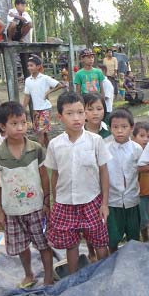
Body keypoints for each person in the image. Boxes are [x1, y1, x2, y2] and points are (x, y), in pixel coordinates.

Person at [0, 101, 53, 287]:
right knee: (21, 247)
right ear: (2, 126)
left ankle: (48, 276)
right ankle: (29, 274)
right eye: (14, 124)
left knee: (44, 245)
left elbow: (44, 177)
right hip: (12, 212)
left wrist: (47, 201)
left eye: (23, 122)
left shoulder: (36, 149)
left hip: (36, 208)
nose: (20, 127)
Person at [44, 92, 112, 273]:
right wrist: (55, 201)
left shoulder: (95, 141)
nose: (76, 118)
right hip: (65, 203)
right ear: (60, 117)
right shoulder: (55, 145)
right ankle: (74, 277)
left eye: (80, 112)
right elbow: (55, 174)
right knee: (71, 244)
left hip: (92, 200)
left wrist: (104, 203)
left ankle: (103, 275)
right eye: (70, 113)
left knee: (99, 241)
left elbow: (104, 172)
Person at [106, 109, 143, 252]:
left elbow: (139, 172)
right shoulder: (105, 148)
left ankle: (132, 261)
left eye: (124, 127)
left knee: (133, 236)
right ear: (110, 128)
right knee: (112, 237)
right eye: (115, 127)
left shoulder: (136, 149)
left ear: (131, 128)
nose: (119, 131)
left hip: (132, 199)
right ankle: (113, 261)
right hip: (113, 201)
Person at [22, 55, 65, 148]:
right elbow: (26, 96)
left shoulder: (45, 78)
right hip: (36, 110)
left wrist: (49, 92)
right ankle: (50, 150)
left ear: (38, 66)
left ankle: (39, 154)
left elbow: (60, 85)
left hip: (45, 108)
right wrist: (22, 109)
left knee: (40, 132)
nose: (29, 67)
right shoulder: (28, 80)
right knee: (43, 133)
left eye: (31, 65)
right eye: (28, 65)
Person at [133, 121, 149, 242]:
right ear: (133, 137)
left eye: (148, 136)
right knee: (143, 220)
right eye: (142, 136)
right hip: (140, 193)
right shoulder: (134, 152)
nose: (146, 139)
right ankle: (145, 239)